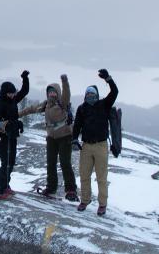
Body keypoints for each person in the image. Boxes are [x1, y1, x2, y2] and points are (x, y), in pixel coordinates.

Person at [21, 74, 77, 201]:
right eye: (49, 92)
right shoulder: (45, 105)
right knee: (51, 163)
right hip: (51, 138)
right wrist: (18, 114)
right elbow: (31, 109)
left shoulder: (62, 102)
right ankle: (51, 188)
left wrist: (65, 81)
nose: (51, 94)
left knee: (65, 163)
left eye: (54, 92)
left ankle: (71, 190)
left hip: (65, 137)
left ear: (58, 93)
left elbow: (67, 94)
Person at [72, 68, 118, 215]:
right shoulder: (82, 109)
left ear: (97, 95)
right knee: (84, 175)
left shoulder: (104, 104)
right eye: (88, 94)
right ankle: (85, 200)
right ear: (85, 96)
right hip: (86, 146)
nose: (90, 96)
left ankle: (102, 204)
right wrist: (74, 139)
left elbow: (115, 92)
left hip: (101, 145)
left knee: (101, 177)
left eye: (92, 94)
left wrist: (108, 79)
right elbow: (77, 125)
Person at [0, 70, 29, 200]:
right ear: (5, 93)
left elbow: (24, 92)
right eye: (11, 93)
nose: (13, 95)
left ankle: (6, 184)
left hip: (11, 136)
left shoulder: (12, 100)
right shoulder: (0, 103)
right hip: (1, 138)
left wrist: (25, 78)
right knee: (6, 162)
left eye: (14, 93)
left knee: (11, 161)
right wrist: (11, 125)